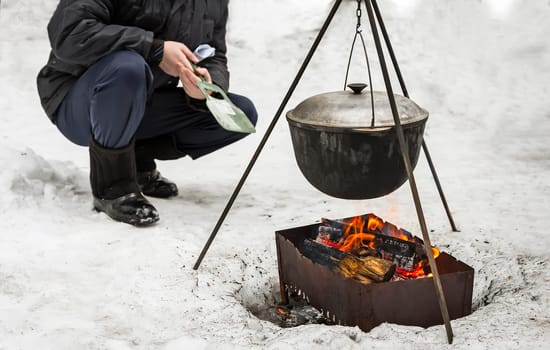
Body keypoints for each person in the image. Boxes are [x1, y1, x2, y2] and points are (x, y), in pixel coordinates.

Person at [36, 0, 258, 226]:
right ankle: (114, 187)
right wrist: (154, 48)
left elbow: (214, 53)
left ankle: (135, 162)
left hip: (143, 101)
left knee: (239, 114)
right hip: (79, 100)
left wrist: (205, 88)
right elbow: (69, 33)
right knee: (127, 67)